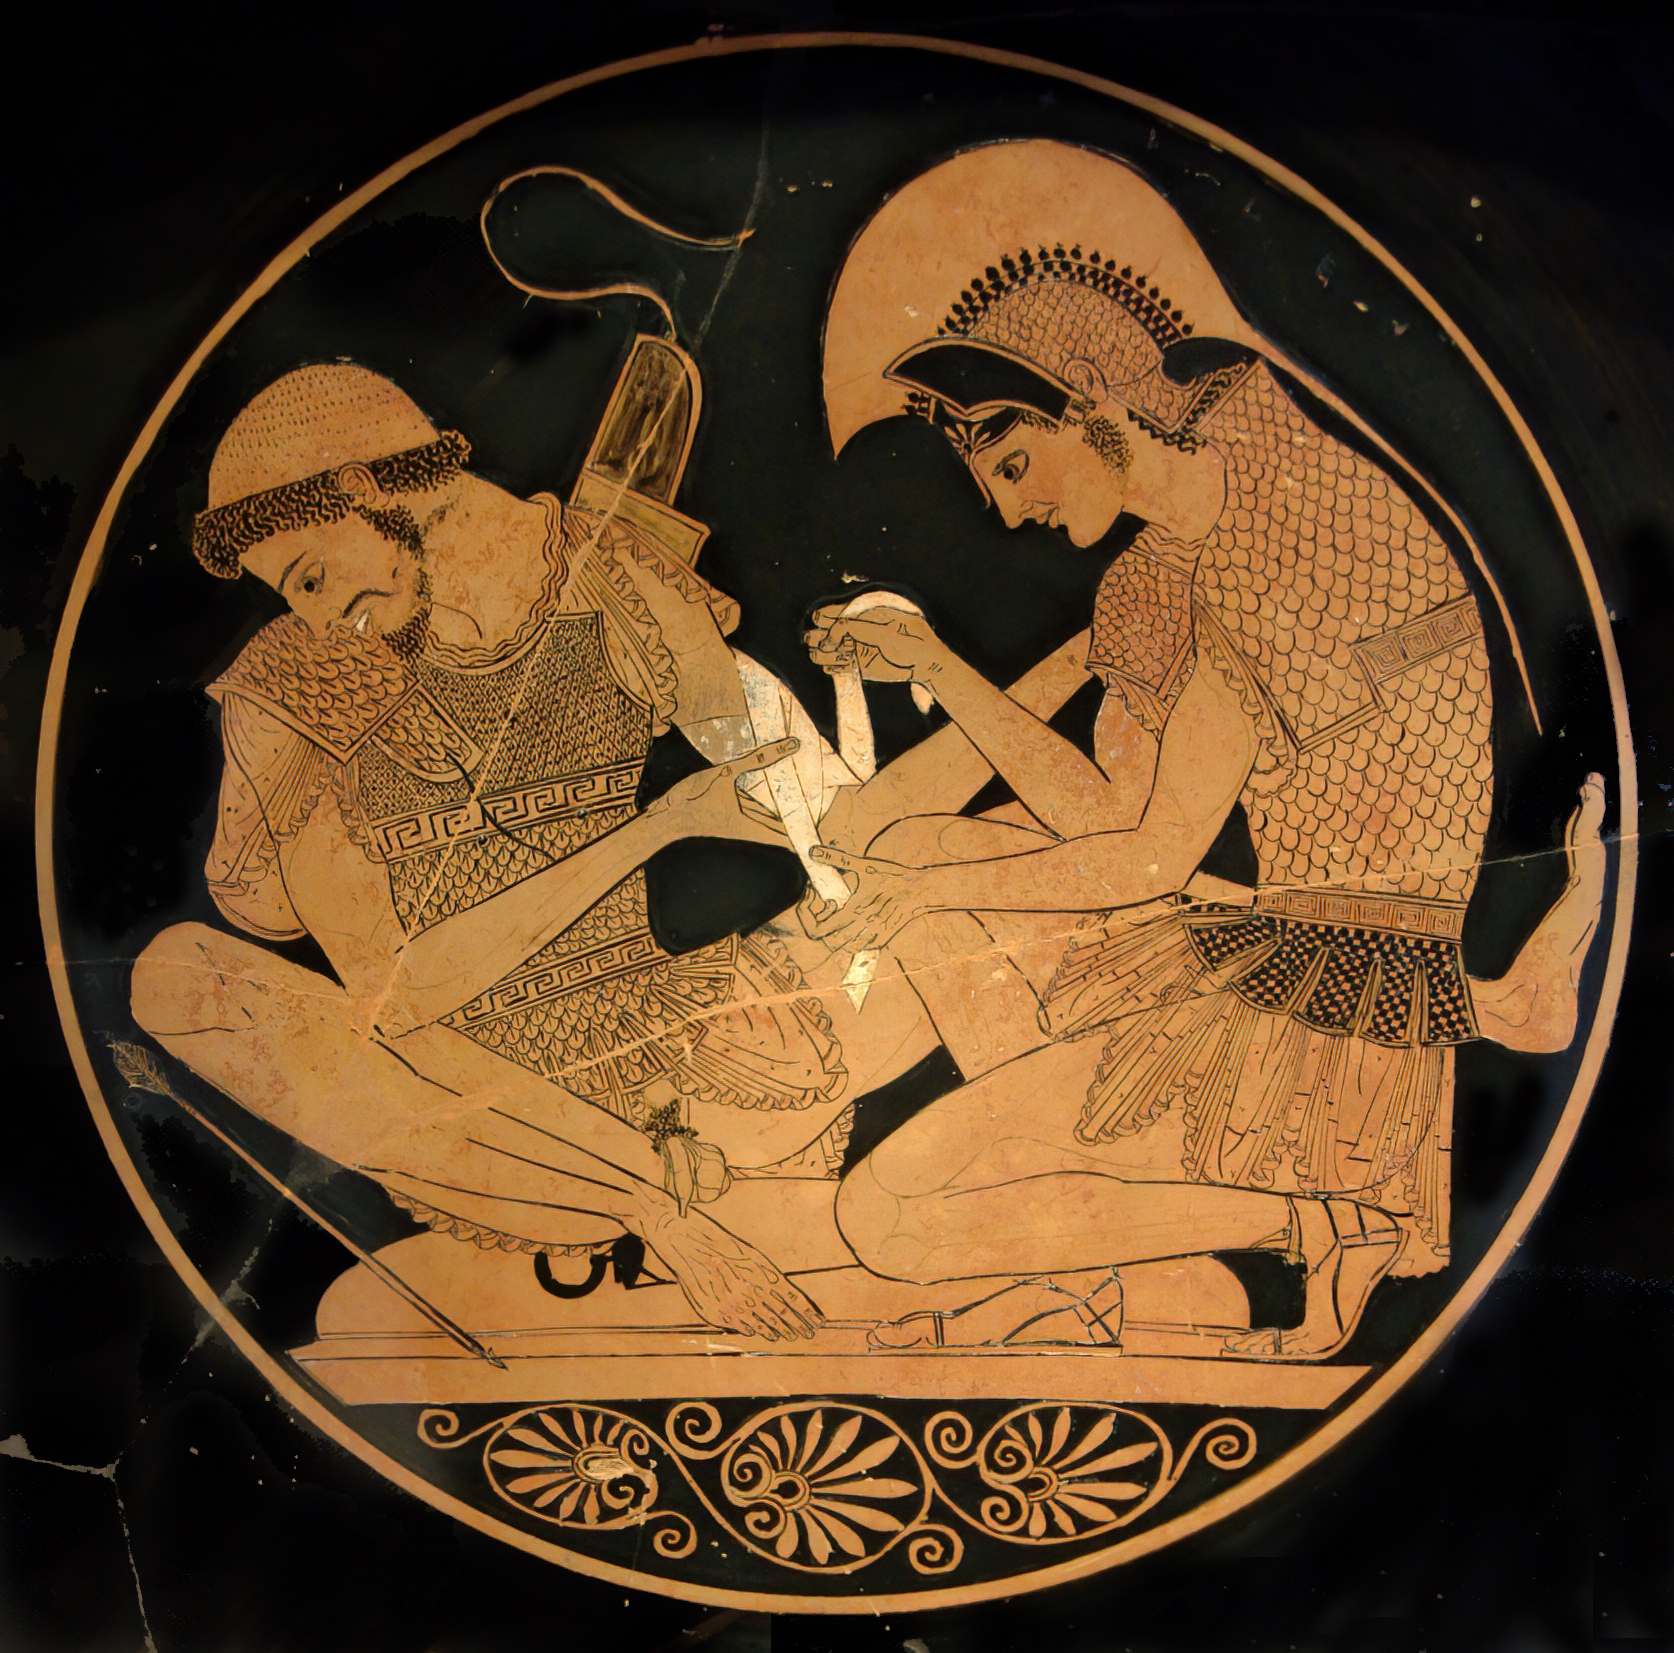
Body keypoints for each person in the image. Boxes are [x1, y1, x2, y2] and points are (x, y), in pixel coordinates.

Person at [803, 141, 1606, 1358]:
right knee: (926, 872)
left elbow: (1148, 856)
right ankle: (1224, 1238)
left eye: (1014, 462)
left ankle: (1319, 1208)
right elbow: (1115, 817)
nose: (1009, 509)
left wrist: (921, 884)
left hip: (1330, 1020)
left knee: (888, 1211)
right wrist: (943, 671)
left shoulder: (1296, 531)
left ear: (1093, 398)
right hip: (1295, 969)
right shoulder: (1207, 542)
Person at [128, 361, 994, 1341]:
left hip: (690, 1057)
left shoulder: (605, 568)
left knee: (981, 858)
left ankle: (730, 1207)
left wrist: (924, 674)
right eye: (297, 594)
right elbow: (399, 999)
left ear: (365, 489)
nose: (320, 615)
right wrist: (657, 827)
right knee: (177, 977)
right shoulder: (302, 677)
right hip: (499, 1130)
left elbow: (789, 786)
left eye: (313, 575)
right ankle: (661, 1218)